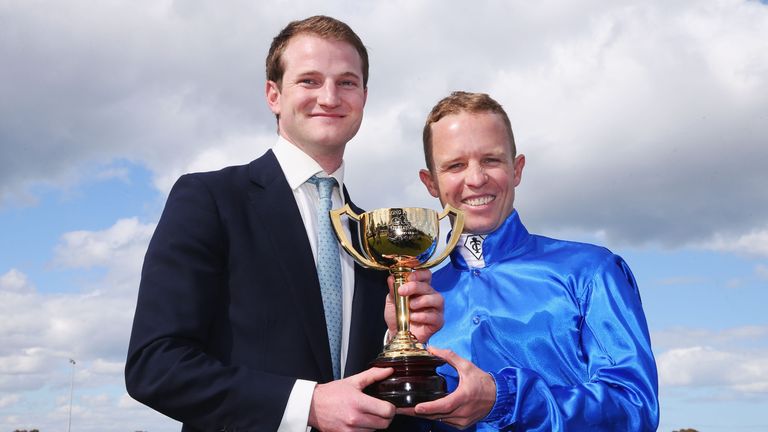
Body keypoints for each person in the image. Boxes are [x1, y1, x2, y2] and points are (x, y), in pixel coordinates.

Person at [125, 16, 441, 432]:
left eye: (347, 82)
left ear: (364, 96)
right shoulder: (209, 199)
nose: (329, 96)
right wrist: (306, 405)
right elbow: (155, 364)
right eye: (309, 80)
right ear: (274, 95)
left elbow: (355, 382)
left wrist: (395, 337)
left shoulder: (370, 232)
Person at [408, 91, 659, 431]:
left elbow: (635, 407)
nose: (476, 178)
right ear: (430, 183)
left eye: (491, 160)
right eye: (455, 165)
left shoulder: (591, 271)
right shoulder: (416, 297)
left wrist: (507, 399)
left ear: (517, 169)